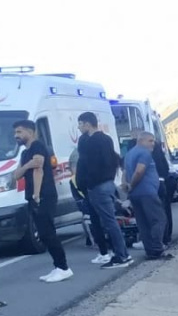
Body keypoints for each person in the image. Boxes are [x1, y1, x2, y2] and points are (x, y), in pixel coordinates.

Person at [11, 120, 72, 282]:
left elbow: (38, 170)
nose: (16, 135)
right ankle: (58, 266)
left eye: (19, 132)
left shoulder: (37, 146)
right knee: (44, 234)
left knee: (48, 232)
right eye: (15, 133)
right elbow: (16, 175)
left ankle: (64, 268)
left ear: (30, 132)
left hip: (43, 195)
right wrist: (26, 166)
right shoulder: (25, 153)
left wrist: (37, 195)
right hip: (33, 197)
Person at [75, 112, 132, 269]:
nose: (79, 127)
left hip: (97, 186)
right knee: (110, 220)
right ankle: (120, 253)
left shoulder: (89, 142)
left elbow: (87, 165)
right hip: (107, 183)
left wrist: (87, 183)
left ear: (87, 124)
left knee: (109, 222)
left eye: (80, 124)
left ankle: (122, 256)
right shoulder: (106, 139)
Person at [122, 131, 172, 261]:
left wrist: (126, 186)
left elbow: (125, 172)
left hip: (135, 195)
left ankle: (150, 251)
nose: (153, 143)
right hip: (147, 193)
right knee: (159, 220)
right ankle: (157, 248)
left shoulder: (129, 154)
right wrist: (132, 184)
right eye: (150, 140)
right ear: (141, 140)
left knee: (143, 223)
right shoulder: (144, 153)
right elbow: (139, 171)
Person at [151, 136, 176, 248]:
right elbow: (165, 168)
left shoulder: (151, 154)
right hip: (163, 183)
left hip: (157, 185)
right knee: (165, 211)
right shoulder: (159, 152)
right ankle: (166, 237)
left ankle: (163, 238)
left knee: (160, 213)